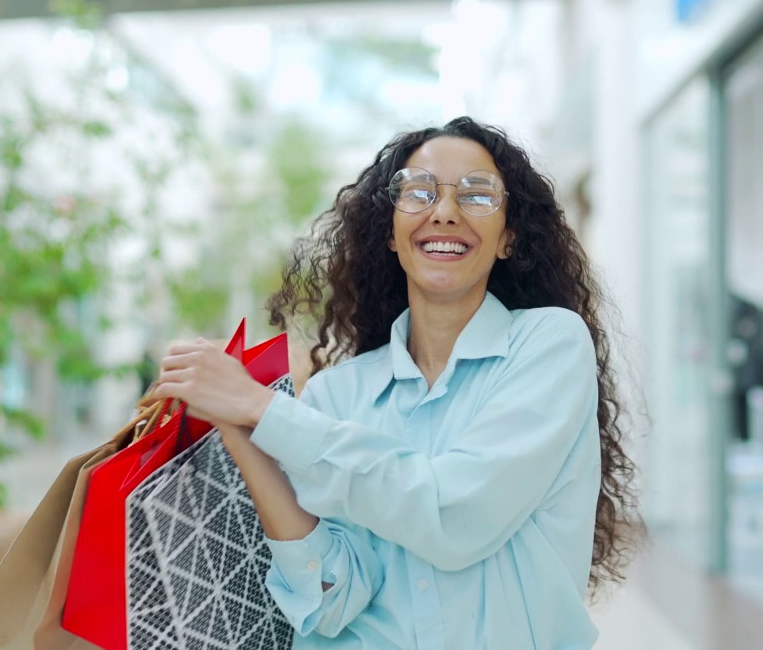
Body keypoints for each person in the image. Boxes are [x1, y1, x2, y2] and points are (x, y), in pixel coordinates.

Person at [148, 117, 638, 649]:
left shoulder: (548, 345)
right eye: (419, 192)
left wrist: (264, 411)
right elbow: (333, 600)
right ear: (390, 232)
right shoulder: (338, 394)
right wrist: (237, 422)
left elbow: (456, 516)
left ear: (509, 238)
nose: (445, 211)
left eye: (476, 195)